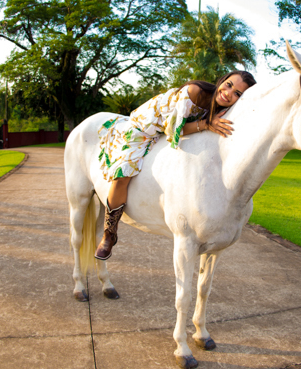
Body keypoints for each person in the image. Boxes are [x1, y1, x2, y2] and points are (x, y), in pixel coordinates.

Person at [95, 70, 257, 259]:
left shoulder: (226, 109)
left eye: (237, 93)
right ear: (222, 80)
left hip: (165, 133)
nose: (228, 93)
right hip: (145, 127)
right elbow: (173, 130)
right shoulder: (195, 92)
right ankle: (109, 233)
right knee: (122, 174)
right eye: (228, 84)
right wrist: (206, 124)